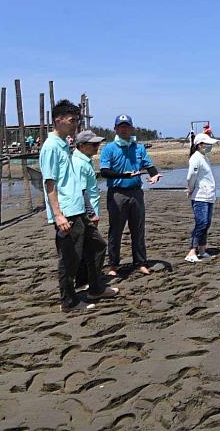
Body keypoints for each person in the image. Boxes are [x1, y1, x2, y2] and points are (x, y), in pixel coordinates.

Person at [40, 101, 118, 312]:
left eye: (77, 120)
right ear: (58, 120)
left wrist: (88, 210)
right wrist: (58, 215)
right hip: (67, 212)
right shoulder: (50, 147)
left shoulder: (64, 145)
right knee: (69, 259)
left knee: (97, 246)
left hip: (78, 208)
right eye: (72, 120)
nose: (75, 124)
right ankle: (68, 301)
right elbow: (49, 183)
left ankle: (95, 287)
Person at [100, 114, 162, 276]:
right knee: (116, 231)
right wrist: (123, 175)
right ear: (115, 129)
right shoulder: (109, 148)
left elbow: (149, 165)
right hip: (117, 194)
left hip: (136, 193)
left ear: (131, 128)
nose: (124, 129)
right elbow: (104, 172)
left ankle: (140, 262)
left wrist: (154, 174)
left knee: (138, 229)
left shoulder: (139, 147)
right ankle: (113, 265)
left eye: (127, 126)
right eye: (121, 126)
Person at [72, 130, 110, 291]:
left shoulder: (84, 160)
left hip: (86, 211)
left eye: (98, 144)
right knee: (97, 247)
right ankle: (91, 283)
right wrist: (91, 213)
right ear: (82, 146)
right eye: (94, 144)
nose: (97, 147)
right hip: (84, 213)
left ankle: (83, 281)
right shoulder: (79, 163)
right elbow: (82, 190)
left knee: (86, 247)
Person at [185, 133, 219, 263]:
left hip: (209, 195)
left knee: (207, 223)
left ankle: (202, 249)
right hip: (200, 196)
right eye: (208, 144)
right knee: (201, 223)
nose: (210, 146)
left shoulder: (205, 157)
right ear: (200, 145)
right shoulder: (196, 157)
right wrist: (190, 188)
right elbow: (191, 176)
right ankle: (192, 251)